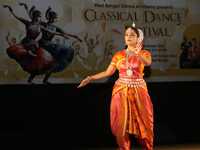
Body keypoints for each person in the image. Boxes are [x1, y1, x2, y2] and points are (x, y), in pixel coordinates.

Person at [78, 22, 154, 150]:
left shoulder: (145, 53)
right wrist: (91, 78)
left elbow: (147, 62)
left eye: (132, 35)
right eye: (126, 35)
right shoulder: (119, 55)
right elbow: (108, 72)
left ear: (138, 38)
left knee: (144, 121)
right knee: (121, 124)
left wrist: (137, 53)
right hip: (121, 91)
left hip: (139, 91)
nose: (128, 37)